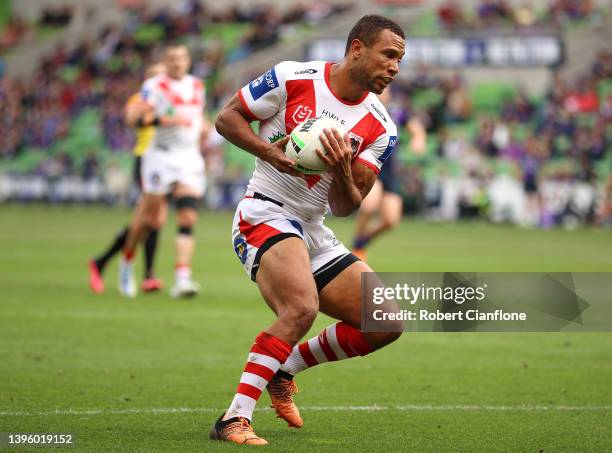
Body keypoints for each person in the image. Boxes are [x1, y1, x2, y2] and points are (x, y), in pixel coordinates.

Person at [210, 15, 405, 445]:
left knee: (386, 322)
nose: (394, 67)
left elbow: (345, 207)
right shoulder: (293, 76)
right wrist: (268, 151)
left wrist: (341, 168)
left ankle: (285, 368)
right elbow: (227, 118)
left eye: (399, 61)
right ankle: (233, 419)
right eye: (388, 54)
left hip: (313, 227)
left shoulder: (381, 127)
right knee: (301, 308)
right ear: (357, 48)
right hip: (265, 211)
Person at [118, 44, 209, 298]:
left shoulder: (198, 86)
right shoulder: (154, 86)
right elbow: (133, 119)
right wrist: (161, 120)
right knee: (149, 219)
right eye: (171, 59)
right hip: (160, 157)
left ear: (188, 61)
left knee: (188, 217)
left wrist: (205, 128)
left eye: (181, 58)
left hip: (189, 157)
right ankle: (127, 261)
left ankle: (182, 278)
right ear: (165, 62)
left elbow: (198, 116)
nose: (176, 63)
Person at [88, 61, 167, 294]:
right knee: (150, 218)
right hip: (146, 160)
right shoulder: (141, 100)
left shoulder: (170, 97)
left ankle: (104, 263)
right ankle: (142, 273)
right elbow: (132, 119)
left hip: (167, 163)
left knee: (154, 219)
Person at [352, 87, 426, 261]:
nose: (381, 93)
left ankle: (360, 242)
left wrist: (418, 140)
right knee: (369, 206)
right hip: (370, 167)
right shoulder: (363, 109)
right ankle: (356, 249)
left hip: (390, 171)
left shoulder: (397, 112)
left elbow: (416, 129)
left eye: (385, 91)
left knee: (391, 220)